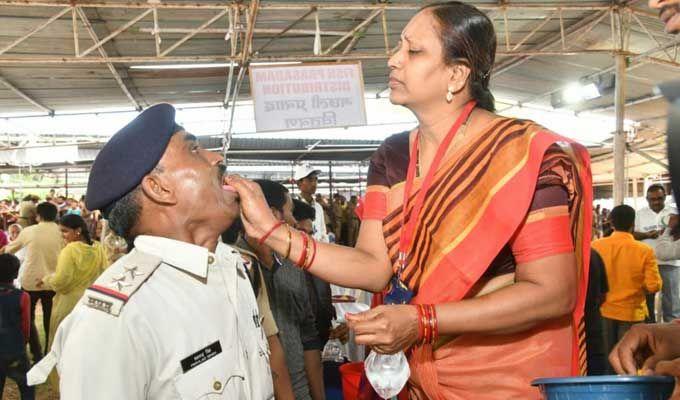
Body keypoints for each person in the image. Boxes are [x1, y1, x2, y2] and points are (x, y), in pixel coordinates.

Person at [227, 2, 593, 398]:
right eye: (398, 48)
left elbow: (552, 291)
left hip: (506, 378)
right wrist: (273, 231)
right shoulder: (394, 155)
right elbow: (373, 267)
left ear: (456, 73)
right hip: (419, 376)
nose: (393, 60)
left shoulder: (523, 153)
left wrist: (423, 321)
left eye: (413, 52)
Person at [27, 103, 273, 399]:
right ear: (158, 187)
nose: (217, 157)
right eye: (194, 149)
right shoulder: (116, 320)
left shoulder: (232, 266)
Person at [239, 180, 325, 400]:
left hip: (300, 391)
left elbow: (308, 336)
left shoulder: (293, 266)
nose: (294, 221)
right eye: (290, 211)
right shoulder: (235, 269)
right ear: (272, 214)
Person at [591, 205, 662, 371]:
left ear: (611, 223)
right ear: (633, 224)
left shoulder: (595, 246)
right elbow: (654, 286)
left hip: (603, 312)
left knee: (606, 360)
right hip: (632, 313)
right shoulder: (644, 250)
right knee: (629, 362)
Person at [38, 214, 108, 353]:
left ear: (78, 231)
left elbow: (61, 281)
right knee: (82, 346)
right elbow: (104, 274)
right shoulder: (98, 247)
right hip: (90, 303)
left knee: (62, 346)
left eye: (65, 231)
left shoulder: (70, 250)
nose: (62, 235)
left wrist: (46, 280)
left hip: (69, 304)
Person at [3, 202, 62, 364]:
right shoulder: (61, 231)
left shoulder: (29, 231)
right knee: (50, 319)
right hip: (53, 280)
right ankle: (50, 353)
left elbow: (9, 249)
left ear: (38, 216)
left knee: (27, 320)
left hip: (31, 280)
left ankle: (35, 354)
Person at [634, 184, 680, 322]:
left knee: (672, 304)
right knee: (647, 303)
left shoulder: (674, 213)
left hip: (670, 264)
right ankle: (650, 332)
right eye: (652, 199)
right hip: (647, 264)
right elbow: (632, 234)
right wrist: (647, 234)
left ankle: (672, 336)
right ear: (646, 199)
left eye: (659, 198)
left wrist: (668, 233)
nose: (656, 202)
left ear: (665, 197)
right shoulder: (640, 214)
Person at [0, 253, 33, 400]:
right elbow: (26, 327)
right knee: (27, 387)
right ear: (16, 273)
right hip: (14, 350)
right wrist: (23, 344)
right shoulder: (23, 296)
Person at [294, 164, 328, 243]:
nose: (314, 183)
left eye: (316, 179)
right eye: (310, 180)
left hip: (317, 250)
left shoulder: (318, 207)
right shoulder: (293, 206)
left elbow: (323, 232)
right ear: (299, 183)